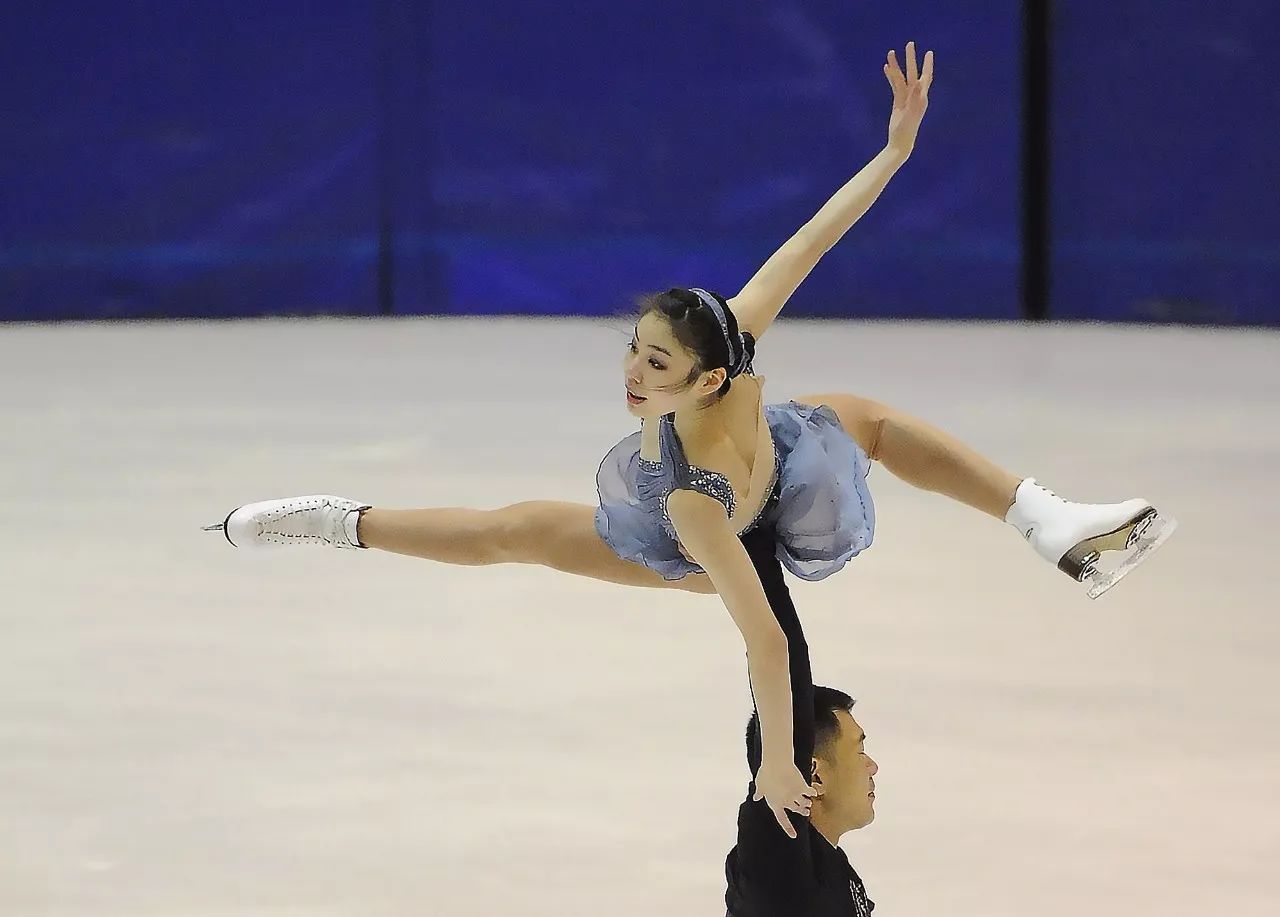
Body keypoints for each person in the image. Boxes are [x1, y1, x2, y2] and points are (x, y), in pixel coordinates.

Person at [207, 43, 1174, 832]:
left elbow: (814, 237)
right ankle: (340, 522)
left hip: (778, 472)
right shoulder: (680, 490)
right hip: (706, 538)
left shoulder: (741, 335)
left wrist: (894, 153)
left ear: (716, 371)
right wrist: (780, 768)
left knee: (865, 419)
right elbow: (761, 634)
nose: (632, 376)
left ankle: (1046, 520)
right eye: (635, 352)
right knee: (513, 530)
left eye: (657, 364)